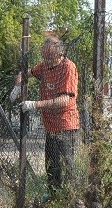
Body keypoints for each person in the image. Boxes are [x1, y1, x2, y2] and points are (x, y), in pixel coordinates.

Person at [11, 36, 80, 193]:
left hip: (66, 125)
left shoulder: (68, 67)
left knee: (66, 165)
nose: (46, 60)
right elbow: (24, 73)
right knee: (51, 166)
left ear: (59, 54)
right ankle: (53, 196)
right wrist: (17, 86)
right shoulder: (43, 67)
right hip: (50, 126)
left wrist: (35, 104)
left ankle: (70, 198)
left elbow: (65, 100)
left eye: (49, 57)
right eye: (44, 56)